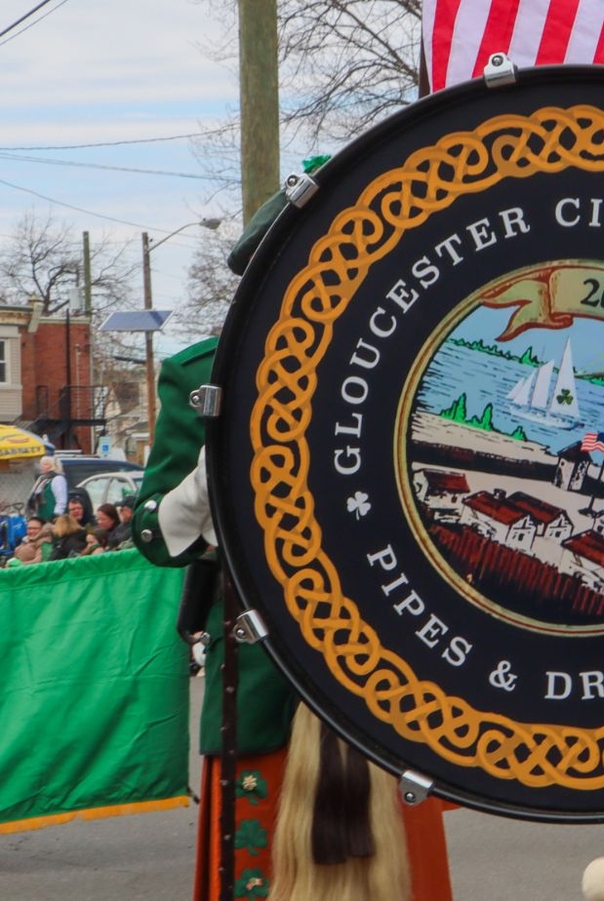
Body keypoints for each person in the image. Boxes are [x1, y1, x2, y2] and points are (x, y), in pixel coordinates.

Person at [133, 179, 453, 901]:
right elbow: (155, 534)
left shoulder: (408, 365)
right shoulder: (197, 375)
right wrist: (209, 479)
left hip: (386, 675)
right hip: (261, 681)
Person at [31, 456, 67, 520]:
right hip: (43, 518)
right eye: (42, 464)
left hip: (54, 518)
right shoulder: (43, 480)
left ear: (53, 466)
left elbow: (61, 500)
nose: (42, 466)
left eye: (46, 464)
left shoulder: (58, 479)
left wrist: (56, 516)